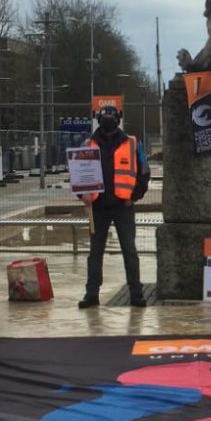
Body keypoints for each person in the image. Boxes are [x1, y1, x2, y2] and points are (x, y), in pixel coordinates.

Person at [77, 104, 151, 308]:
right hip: (97, 207)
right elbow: (78, 173)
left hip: (123, 207)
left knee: (129, 250)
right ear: (98, 120)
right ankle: (91, 294)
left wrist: (133, 197)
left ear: (118, 119)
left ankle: (136, 294)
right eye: (105, 116)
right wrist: (82, 195)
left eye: (111, 116)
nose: (108, 119)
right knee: (95, 253)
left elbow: (144, 172)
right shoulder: (87, 144)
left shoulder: (133, 143)